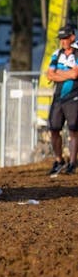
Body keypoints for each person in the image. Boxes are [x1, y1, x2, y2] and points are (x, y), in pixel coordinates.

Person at [45, 23, 78, 176]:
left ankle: (72, 162)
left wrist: (59, 73)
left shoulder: (76, 54)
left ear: (72, 37)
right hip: (58, 98)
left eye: (65, 38)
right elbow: (49, 74)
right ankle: (59, 160)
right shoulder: (56, 54)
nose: (63, 41)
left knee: (73, 130)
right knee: (54, 129)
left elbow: (76, 74)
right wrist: (67, 74)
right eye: (61, 39)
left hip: (73, 97)